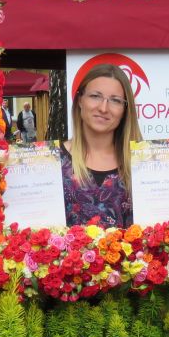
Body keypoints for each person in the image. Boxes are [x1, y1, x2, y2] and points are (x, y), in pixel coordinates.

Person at [61, 65, 143, 228]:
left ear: (125, 110)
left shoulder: (143, 162)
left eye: (115, 100)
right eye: (95, 96)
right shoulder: (53, 162)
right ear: (79, 100)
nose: (103, 108)